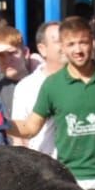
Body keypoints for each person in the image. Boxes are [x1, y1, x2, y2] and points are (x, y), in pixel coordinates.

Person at [11, 16, 95, 187]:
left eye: (83, 42)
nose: (78, 50)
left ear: (92, 42)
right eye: (71, 44)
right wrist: (1, 123)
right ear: (62, 47)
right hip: (72, 179)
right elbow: (31, 127)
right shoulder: (52, 85)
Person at [11, 20, 64, 157]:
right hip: (46, 168)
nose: (66, 46)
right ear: (42, 49)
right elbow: (21, 137)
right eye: (59, 41)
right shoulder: (27, 86)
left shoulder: (85, 79)